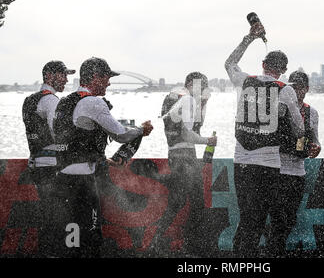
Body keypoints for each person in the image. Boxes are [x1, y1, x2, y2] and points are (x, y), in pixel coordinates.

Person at [52, 57, 153, 257]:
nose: (109, 82)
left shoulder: (66, 102)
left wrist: (97, 156)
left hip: (62, 178)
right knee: (91, 238)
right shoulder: (93, 103)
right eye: (107, 78)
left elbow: (74, 143)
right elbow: (121, 134)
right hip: (81, 183)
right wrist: (141, 129)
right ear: (96, 77)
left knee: (70, 241)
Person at [225, 21, 305, 257]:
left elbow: (229, 63)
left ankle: (240, 257)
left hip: (241, 161)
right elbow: (300, 129)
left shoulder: (244, 81)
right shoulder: (286, 89)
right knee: (262, 219)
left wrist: (249, 38)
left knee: (247, 216)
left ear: (263, 65)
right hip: (268, 164)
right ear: (282, 70)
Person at [132, 72, 217, 256]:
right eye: (201, 87)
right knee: (193, 203)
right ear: (190, 84)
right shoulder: (187, 101)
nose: (203, 92)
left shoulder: (171, 99)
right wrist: (208, 141)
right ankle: (187, 246)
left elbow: (182, 128)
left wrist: (203, 103)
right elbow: (188, 134)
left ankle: (156, 243)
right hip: (185, 156)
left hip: (174, 154)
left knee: (178, 202)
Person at [22, 60, 75, 257]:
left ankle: (46, 251)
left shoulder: (29, 100)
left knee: (47, 215)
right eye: (63, 75)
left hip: (37, 164)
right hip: (53, 166)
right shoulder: (51, 100)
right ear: (49, 76)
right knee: (60, 217)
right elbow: (59, 134)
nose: (67, 80)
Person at [268, 71, 321, 256]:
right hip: (278, 170)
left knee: (290, 219)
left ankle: (275, 250)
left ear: (306, 89)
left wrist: (317, 148)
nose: (295, 90)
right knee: (278, 220)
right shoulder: (279, 108)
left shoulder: (311, 112)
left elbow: (316, 140)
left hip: (298, 172)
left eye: (299, 87)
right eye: (292, 87)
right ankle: (274, 252)